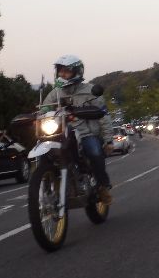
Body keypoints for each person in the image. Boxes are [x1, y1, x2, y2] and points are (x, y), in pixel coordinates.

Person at [42, 54, 114, 205]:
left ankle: (103, 186)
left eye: (66, 71)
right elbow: (45, 109)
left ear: (77, 72)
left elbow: (104, 116)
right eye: (60, 70)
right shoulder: (56, 92)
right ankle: (48, 183)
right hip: (61, 133)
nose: (62, 74)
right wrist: (37, 115)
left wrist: (108, 140)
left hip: (86, 133)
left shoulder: (91, 91)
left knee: (95, 152)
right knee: (45, 152)